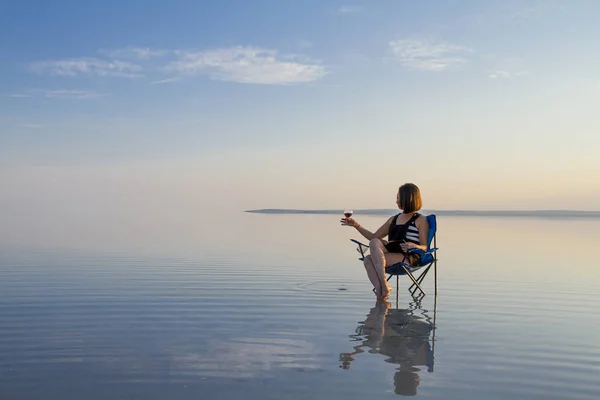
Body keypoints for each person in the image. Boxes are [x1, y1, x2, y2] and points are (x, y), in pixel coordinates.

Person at [341, 183, 429, 300]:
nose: (396, 201)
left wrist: (413, 245)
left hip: (408, 257)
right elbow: (373, 236)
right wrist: (356, 225)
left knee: (370, 259)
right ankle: (381, 289)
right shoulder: (393, 219)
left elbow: (425, 247)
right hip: (391, 253)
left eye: (398, 198)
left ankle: (383, 288)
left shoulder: (420, 220)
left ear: (408, 198)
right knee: (372, 247)